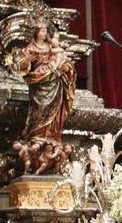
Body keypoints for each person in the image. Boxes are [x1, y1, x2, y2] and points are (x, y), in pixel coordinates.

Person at [14, 25, 76, 173]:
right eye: (42, 30)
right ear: (36, 33)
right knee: (40, 110)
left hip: (54, 82)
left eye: (45, 31)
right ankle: (37, 136)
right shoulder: (30, 47)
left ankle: (51, 136)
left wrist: (65, 68)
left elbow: (64, 61)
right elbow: (22, 66)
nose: (44, 33)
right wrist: (27, 60)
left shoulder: (51, 47)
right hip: (39, 83)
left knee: (54, 111)